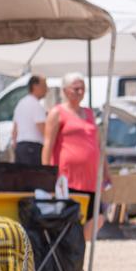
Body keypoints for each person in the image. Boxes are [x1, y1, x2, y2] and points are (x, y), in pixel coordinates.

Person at [41, 72, 103, 242]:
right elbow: (48, 145)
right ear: (65, 90)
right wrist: (47, 176)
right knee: (70, 218)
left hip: (90, 177)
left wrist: (104, 171)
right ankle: (72, 248)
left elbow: (97, 144)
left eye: (82, 88)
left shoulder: (89, 113)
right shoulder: (57, 112)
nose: (80, 92)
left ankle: (79, 247)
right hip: (68, 177)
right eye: (76, 88)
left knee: (97, 217)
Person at [9, 75, 50, 165]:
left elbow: (15, 130)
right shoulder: (35, 105)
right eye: (44, 86)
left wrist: (15, 147)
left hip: (20, 147)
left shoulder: (21, 103)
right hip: (33, 148)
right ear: (35, 86)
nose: (47, 90)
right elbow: (43, 129)